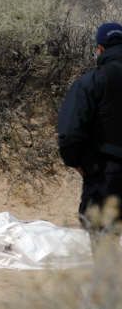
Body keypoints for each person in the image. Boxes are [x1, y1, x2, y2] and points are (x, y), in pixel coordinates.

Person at [58, 22, 122, 242]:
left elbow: (69, 132)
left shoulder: (92, 81)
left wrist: (77, 162)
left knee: (101, 239)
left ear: (100, 49)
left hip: (104, 173)